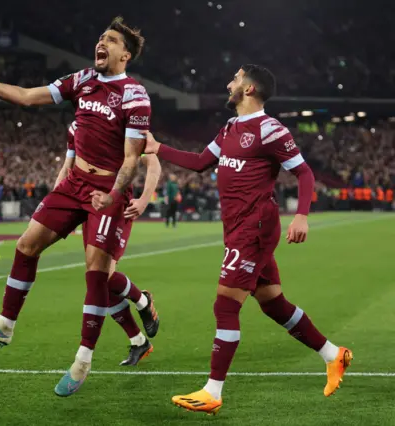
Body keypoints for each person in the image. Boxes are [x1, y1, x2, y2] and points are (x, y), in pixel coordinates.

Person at [0, 17, 157, 397]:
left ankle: (83, 361)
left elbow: (134, 158)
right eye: (100, 37)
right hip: (74, 184)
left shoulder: (135, 94)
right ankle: (4, 324)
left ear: (125, 54)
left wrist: (115, 196)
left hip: (108, 189)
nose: (101, 42)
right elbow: (28, 96)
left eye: (111, 40)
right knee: (26, 245)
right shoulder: (82, 80)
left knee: (96, 273)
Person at [143, 64, 352, 414]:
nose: (229, 83)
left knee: (225, 305)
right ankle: (333, 354)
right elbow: (198, 163)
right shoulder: (228, 129)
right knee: (273, 303)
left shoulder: (270, 129)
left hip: (254, 227)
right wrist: (157, 147)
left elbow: (303, 172)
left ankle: (213, 390)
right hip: (238, 227)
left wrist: (301, 215)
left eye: (235, 79)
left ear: (250, 89)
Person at [55, 121, 161, 366]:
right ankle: (138, 341)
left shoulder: (131, 125)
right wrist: (58, 206)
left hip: (115, 205)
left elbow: (153, 163)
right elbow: (67, 168)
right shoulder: (75, 127)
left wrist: (144, 199)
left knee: (101, 274)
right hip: (88, 206)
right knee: (99, 280)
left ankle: (143, 301)